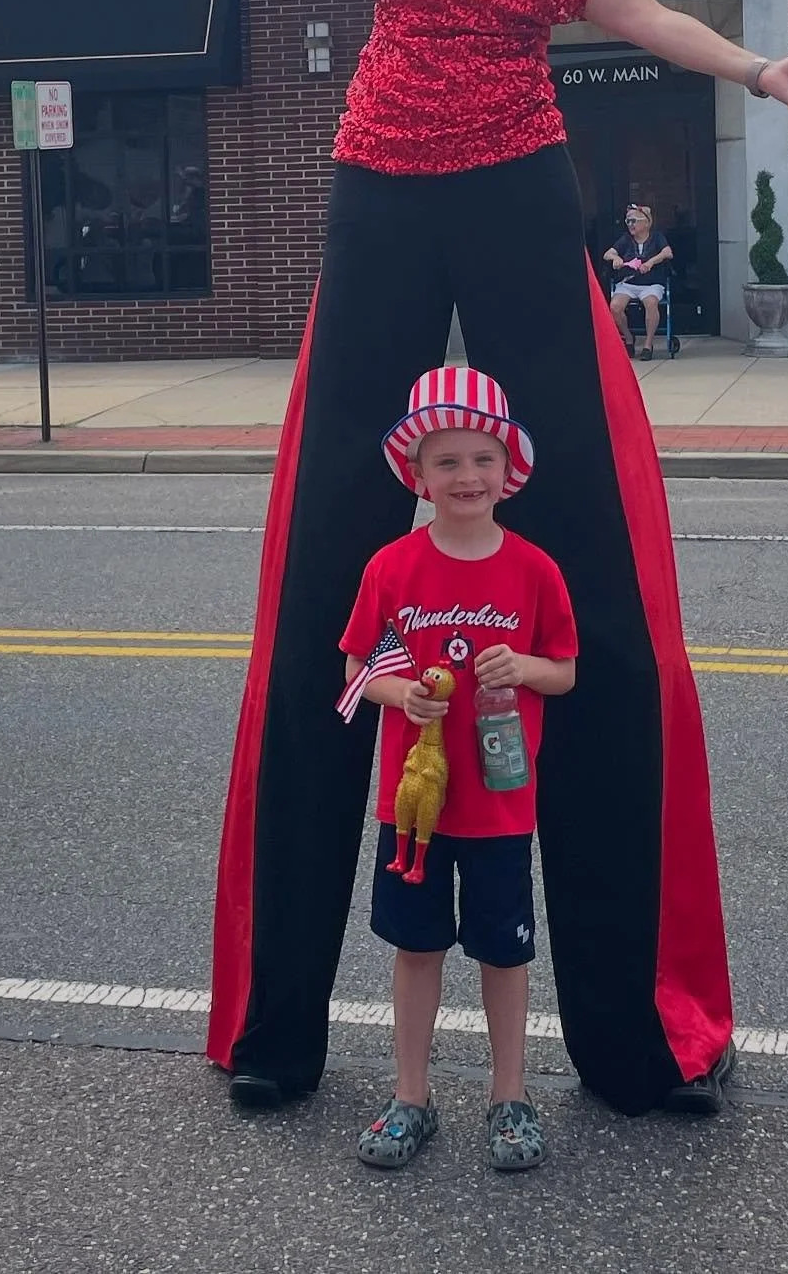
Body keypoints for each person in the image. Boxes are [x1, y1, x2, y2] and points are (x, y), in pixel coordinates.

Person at [106, 0, 788, 1120]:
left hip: (520, 198)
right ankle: (276, 1026)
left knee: (598, 583)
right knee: (329, 560)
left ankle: (635, 1037)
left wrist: (761, 68)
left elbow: (650, 22)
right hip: (381, 200)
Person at [341, 368, 577, 1173]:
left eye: (482, 459)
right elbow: (356, 672)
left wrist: (524, 669)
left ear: (508, 472)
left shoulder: (535, 570)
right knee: (415, 949)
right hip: (414, 808)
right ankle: (412, 1096)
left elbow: (567, 670)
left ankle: (508, 1095)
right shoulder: (392, 568)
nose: (467, 477)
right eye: (446, 462)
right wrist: (400, 690)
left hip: (503, 804)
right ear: (417, 475)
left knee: (503, 952)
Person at [602, 205, 673, 359]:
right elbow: (608, 253)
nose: (630, 225)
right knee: (615, 307)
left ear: (646, 223)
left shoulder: (657, 237)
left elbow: (667, 252)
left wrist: (651, 262)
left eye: (634, 221)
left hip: (651, 283)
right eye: (628, 221)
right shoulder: (626, 239)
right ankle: (628, 338)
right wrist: (616, 258)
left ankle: (648, 344)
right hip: (628, 282)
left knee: (651, 303)